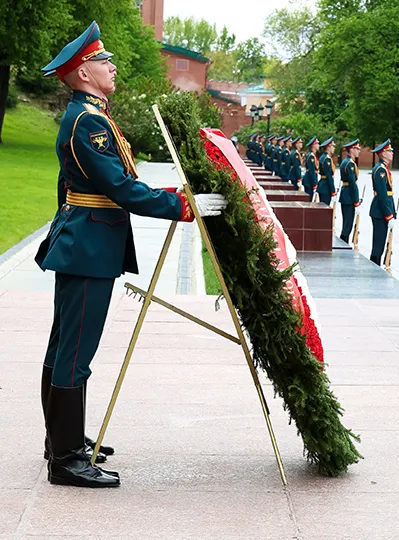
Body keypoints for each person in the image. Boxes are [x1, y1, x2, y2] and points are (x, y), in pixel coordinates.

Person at [35, 21, 227, 488]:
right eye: (102, 60)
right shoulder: (88, 122)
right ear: (83, 73)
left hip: (84, 243)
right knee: (75, 352)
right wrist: (183, 205)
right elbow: (120, 189)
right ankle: (66, 460)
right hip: (88, 249)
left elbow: (71, 185)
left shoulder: (89, 116)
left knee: (65, 347)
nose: (112, 65)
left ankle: (63, 441)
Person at [368, 140, 396, 265]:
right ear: (383, 154)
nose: (392, 153)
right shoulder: (380, 170)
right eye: (389, 151)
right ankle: (374, 266)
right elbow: (382, 195)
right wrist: (388, 215)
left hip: (382, 210)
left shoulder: (383, 168)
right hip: (380, 211)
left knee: (381, 242)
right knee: (378, 244)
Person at [338, 139, 362, 243]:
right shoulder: (350, 164)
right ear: (351, 150)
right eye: (357, 148)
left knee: (347, 223)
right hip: (349, 196)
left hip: (346, 194)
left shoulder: (346, 162)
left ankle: (344, 244)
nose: (359, 151)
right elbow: (352, 184)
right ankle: (344, 244)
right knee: (347, 225)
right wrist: (356, 201)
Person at [316, 137, 337, 205]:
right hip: (326, 187)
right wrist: (333, 190)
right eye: (333, 146)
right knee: (325, 208)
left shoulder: (323, 157)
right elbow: (329, 176)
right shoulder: (327, 159)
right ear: (329, 147)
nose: (334, 148)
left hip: (323, 185)